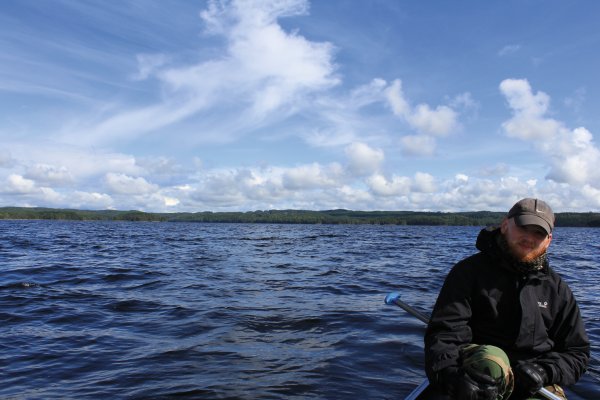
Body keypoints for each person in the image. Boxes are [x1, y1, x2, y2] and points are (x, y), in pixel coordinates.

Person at [424, 198, 590, 399]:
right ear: (504, 226)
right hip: (478, 375)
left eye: (538, 233)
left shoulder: (557, 289)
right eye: (523, 227)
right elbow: (445, 334)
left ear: (548, 240)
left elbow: (577, 352)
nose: (529, 238)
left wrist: (545, 371)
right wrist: (450, 375)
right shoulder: (468, 273)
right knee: (493, 360)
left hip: (532, 382)